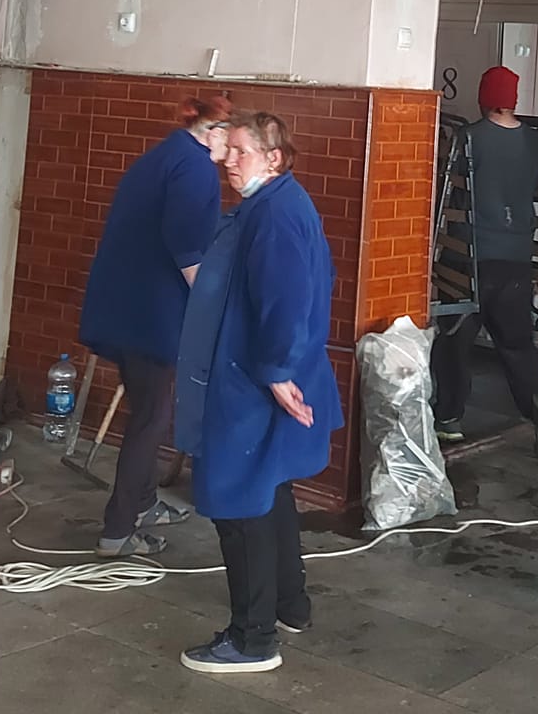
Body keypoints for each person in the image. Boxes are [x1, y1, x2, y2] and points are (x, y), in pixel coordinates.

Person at [173, 112, 343, 675]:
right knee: (271, 490)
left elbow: (286, 298)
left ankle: (252, 640)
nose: (228, 160)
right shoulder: (278, 203)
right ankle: (290, 604)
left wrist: (275, 370)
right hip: (263, 374)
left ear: (273, 157)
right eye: (227, 151)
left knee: (238, 503)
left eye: (240, 151)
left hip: (252, 384)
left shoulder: (273, 214)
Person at [78, 93, 232, 558]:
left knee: (146, 409)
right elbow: (187, 248)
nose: (233, 155)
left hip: (125, 305)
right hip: (154, 313)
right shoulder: (195, 167)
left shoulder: (164, 155)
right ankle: (118, 530)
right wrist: (214, 307)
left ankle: (144, 503)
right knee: (152, 418)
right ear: (214, 132)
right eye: (233, 142)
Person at [430, 66, 538, 457]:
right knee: (517, 343)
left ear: (483, 97)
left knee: (455, 341)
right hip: (516, 258)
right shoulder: (536, 144)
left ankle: (449, 419)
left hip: (468, 260)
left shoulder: (468, 138)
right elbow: (535, 181)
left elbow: (449, 185)